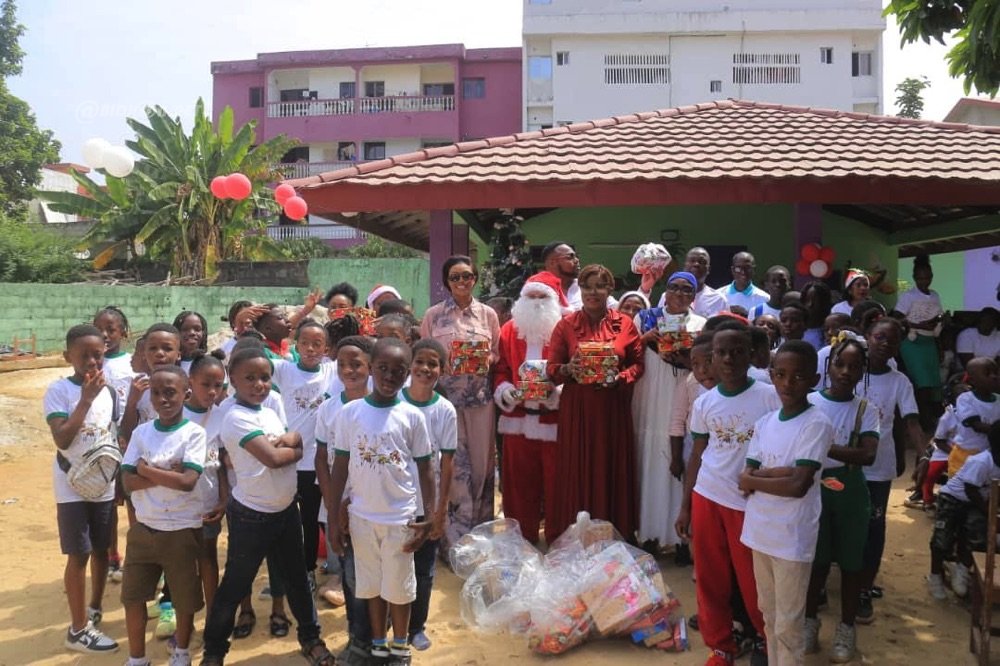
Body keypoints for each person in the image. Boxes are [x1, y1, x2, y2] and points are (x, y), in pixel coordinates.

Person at [201, 346, 335, 666]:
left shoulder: (269, 409)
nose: (259, 384)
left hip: (286, 510)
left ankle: (311, 639)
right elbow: (277, 457)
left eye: (264, 378)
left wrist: (291, 444)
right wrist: (291, 447)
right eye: (249, 378)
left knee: (298, 581)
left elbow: (295, 440)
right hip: (253, 516)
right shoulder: (235, 417)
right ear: (231, 379)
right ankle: (214, 653)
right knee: (235, 584)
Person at [326, 338, 436, 666]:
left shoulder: (412, 417)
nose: (390, 376)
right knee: (371, 586)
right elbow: (340, 466)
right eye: (383, 369)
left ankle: (400, 647)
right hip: (361, 517)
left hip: (400, 518)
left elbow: (426, 469)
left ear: (407, 375)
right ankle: (377, 643)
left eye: (398, 372)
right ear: (371, 367)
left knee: (400, 589)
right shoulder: (350, 413)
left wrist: (428, 515)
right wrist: (334, 518)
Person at [675, 321, 779, 665]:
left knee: (752, 579)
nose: (729, 359)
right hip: (708, 496)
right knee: (710, 577)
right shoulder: (706, 403)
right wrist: (686, 506)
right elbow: (697, 455)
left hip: (748, 502)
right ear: (712, 357)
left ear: (751, 355)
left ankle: (765, 639)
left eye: (737, 351)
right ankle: (721, 646)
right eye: (722, 353)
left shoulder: (768, 395)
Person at [739, 340, 833, 666]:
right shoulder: (765, 423)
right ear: (772, 375)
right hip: (760, 531)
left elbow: (798, 485)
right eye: (780, 374)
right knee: (769, 614)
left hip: (792, 537)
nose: (788, 383)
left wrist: (758, 479)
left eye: (798, 376)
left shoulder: (816, 423)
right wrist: (770, 476)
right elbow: (743, 479)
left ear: (814, 380)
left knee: (789, 624)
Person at [546, 263, 644, 539]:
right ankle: (575, 536)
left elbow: (638, 365)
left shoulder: (624, 324)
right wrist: (569, 369)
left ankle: (614, 534)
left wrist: (620, 378)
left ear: (610, 290)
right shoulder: (566, 325)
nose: (593, 292)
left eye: (600, 286)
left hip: (612, 409)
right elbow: (552, 369)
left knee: (610, 467)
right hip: (578, 410)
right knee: (577, 468)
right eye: (587, 286)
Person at [120, 365, 206, 666]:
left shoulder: (194, 433)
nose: (163, 399)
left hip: (181, 529)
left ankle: (181, 652)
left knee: (184, 599)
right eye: (156, 393)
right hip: (144, 529)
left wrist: (145, 469)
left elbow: (186, 482)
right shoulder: (142, 433)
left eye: (170, 392)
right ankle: (137, 658)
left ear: (186, 393)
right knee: (133, 597)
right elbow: (127, 483)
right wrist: (164, 474)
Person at [804, 332, 880, 662]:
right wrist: (838, 450)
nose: (846, 372)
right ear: (829, 366)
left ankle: (847, 626)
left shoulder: (867, 409)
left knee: (851, 564)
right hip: (816, 489)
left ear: (862, 371)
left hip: (850, 492)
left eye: (854, 366)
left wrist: (823, 446)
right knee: (816, 562)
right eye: (840, 364)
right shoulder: (810, 402)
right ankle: (809, 621)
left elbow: (867, 455)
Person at [43, 324, 119, 654]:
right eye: (83, 355)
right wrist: (85, 400)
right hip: (71, 483)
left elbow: (111, 434)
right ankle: (76, 631)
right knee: (80, 553)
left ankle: (94, 608)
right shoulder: (59, 391)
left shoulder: (111, 391)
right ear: (67, 357)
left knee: (102, 549)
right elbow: (62, 438)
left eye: (97, 355)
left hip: (102, 481)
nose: (91, 361)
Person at [420, 256, 500, 549]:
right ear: (447, 283)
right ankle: (452, 539)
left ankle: (482, 537)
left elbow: (497, 354)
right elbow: (425, 356)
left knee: (481, 467)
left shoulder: (488, 315)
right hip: (445, 403)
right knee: (452, 467)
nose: (462, 282)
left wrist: (482, 359)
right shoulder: (433, 316)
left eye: (467, 276)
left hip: (480, 401)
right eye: (455, 277)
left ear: (475, 279)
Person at [633, 271, 706, 551]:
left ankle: (679, 538)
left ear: (693, 295)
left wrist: (685, 358)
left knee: (679, 463)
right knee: (650, 459)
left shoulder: (701, 323)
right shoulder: (646, 317)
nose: (679, 294)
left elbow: (704, 365)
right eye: (674, 287)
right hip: (650, 395)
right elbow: (628, 352)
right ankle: (648, 533)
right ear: (666, 290)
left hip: (682, 392)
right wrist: (646, 338)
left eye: (686, 290)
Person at [855, 317, 922, 623]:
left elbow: (911, 422)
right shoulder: (849, 369)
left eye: (891, 341)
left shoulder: (899, 382)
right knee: (838, 524)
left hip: (878, 469)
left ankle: (864, 588)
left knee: (873, 528)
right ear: (867, 336)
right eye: (879, 337)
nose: (884, 344)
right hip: (842, 465)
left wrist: (925, 453)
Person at [493, 273, 565, 545]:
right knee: (518, 488)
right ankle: (521, 542)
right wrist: (505, 390)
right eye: (530, 296)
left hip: (553, 423)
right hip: (518, 421)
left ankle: (559, 542)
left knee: (557, 487)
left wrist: (556, 393)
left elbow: (574, 372)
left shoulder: (565, 329)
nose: (535, 302)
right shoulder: (509, 330)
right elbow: (500, 370)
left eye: (542, 297)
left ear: (554, 300)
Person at [315, 335, 373, 664]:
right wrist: (333, 503)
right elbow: (323, 459)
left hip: (374, 506)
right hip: (338, 505)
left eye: (357, 364)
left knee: (377, 576)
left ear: (370, 367)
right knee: (351, 575)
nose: (349, 370)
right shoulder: (329, 407)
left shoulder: (384, 404)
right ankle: (357, 638)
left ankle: (382, 638)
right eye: (342, 365)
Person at [270, 319, 339, 600]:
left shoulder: (331, 371)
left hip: (317, 463)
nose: (311, 349)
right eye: (305, 343)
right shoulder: (284, 370)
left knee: (312, 520)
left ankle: (314, 571)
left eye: (317, 344)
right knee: (286, 520)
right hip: (290, 459)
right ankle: (289, 572)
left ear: (326, 348)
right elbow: (245, 358)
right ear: (295, 345)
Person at [401, 339, 457, 651]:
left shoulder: (445, 410)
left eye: (433, 364)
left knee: (423, 569)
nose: (425, 368)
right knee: (394, 564)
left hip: (428, 502)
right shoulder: (393, 400)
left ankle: (416, 626)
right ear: (409, 365)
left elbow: (446, 464)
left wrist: (439, 510)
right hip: (395, 502)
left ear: (442, 370)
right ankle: (389, 621)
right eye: (420, 361)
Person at [928, 422, 1000, 601]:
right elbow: (970, 489)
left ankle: (962, 569)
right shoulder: (982, 461)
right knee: (942, 539)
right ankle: (935, 576)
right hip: (953, 498)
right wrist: (990, 513)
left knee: (975, 536)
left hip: (976, 502)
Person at [181, 351, 228, 626]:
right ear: (190, 381)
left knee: (208, 558)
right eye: (205, 384)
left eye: (218, 385)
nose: (212, 391)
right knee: (183, 565)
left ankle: (212, 617)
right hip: (179, 505)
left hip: (209, 503)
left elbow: (221, 462)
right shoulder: (177, 413)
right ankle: (183, 620)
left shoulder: (222, 416)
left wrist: (223, 500)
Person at [668, 331, 716, 566]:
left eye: (709, 362)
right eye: (696, 364)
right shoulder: (689, 383)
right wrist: (676, 457)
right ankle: (696, 557)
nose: (703, 370)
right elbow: (677, 419)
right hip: (693, 451)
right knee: (695, 503)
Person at [93, 305, 132, 583]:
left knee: (133, 501)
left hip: (129, 442)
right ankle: (112, 557)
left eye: (111, 329)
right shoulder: (91, 365)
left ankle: (142, 558)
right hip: (100, 445)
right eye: (99, 330)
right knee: (107, 505)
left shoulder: (131, 365)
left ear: (124, 332)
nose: (105, 335)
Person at [893, 255, 945, 431]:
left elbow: (938, 316)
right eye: (921, 278)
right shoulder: (908, 296)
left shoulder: (935, 295)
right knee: (922, 383)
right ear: (915, 278)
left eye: (928, 277)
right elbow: (896, 319)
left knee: (934, 383)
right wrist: (917, 324)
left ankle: (933, 420)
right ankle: (923, 423)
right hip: (912, 342)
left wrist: (940, 322)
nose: (925, 281)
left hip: (930, 341)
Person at [947, 357, 1000, 479]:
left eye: (996, 373)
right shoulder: (966, 399)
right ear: (973, 380)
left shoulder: (998, 399)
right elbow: (976, 425)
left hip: (990, 454)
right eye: (987, 373)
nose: (994, 377)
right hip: (966, 455)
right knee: (964, 489)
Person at [919, 384, 970, 510]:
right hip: (946, 451)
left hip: (969, 451)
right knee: (931, 473)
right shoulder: (948, 416)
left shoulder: (976, 412)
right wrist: (954, 452)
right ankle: (928, 500)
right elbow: (939, 440)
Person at [657, 247, 727, 318]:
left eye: (702, 262)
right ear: (685, 266)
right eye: (692, 261)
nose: (696, 264)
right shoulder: (667, 296)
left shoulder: (718, 299)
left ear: (708, 269)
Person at [541, 241, 580, 309]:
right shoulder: (537, 292)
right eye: (570, 257)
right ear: (552, 263)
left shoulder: (586, 287)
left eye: (576, 256)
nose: (577, 260)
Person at [800, 281, 833, 350]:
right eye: (807, 300)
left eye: (815, 301)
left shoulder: (830, 332)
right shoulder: (797, 331)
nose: (810, 305)